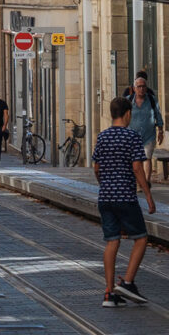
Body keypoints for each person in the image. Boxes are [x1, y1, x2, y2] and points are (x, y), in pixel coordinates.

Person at [93, 96, 155, 307]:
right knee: (141, 238)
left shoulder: (102, 137)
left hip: (106, 198)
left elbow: (96, 168)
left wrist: (105, 184)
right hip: (126, 198)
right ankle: (128, 282)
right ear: (127, 114)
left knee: (112, 241)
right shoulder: (132, 136)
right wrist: (147, 194)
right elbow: (137, 167)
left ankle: (109, 293)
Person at [127, 74, 164, 187]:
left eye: (143, 86)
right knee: (136, 160)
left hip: (149, 135)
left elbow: (158, 114)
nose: (141, 89)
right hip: (132, 135)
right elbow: (122, 116)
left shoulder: (152, 100)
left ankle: (145, 182)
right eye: (139, 86)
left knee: (147, 158)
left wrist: (160, 130)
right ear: (134, 88)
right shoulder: (128, 101)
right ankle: (138, 182)